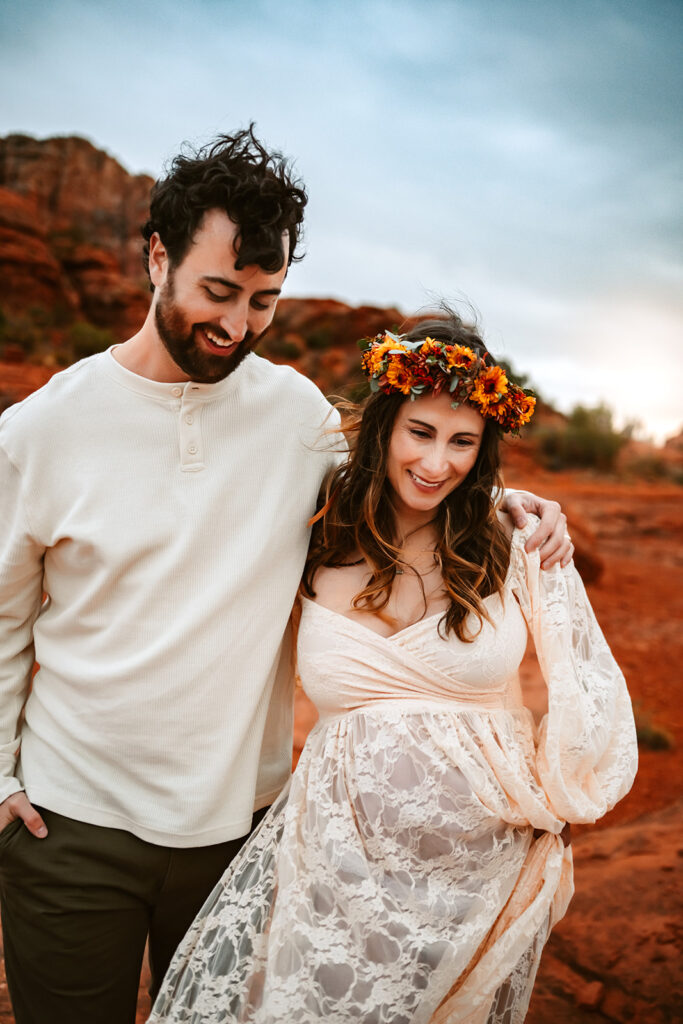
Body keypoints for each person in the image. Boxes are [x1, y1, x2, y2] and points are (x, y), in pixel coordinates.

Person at [0, 127, 572, 1024]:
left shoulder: (296, 414)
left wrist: (508, 498)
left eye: (264, 300)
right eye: (218, 292)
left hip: (244, 831)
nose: (237, 326)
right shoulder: (39, 430)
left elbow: (403, 481)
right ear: (158, 256)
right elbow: (2, 623)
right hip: (70, 829)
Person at [148, 314, 637, 1024]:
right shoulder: (314, 530)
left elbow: (592, 693)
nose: (437, 463)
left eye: (462, 441)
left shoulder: (516, 543)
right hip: (334, 872)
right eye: (420, 432)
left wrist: (551, 798)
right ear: (384, 426)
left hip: (480, 880)